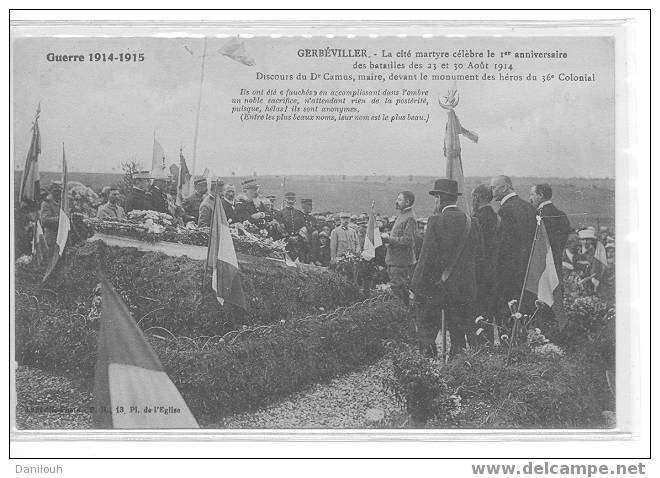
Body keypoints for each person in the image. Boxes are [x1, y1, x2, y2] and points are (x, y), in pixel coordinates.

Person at [410, 179, 483, 358]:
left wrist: (415, 287)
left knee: (427, 327)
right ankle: (456, 366)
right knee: (458, 333)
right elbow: (480, 256)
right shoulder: (472, 222)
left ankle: (426, 365)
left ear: (440, 198)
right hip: (464, 287)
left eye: (436, 197)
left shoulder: (436, 221)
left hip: (438, 287)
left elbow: (426, 258)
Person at [489, 175, 538, 314]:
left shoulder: (506, 210)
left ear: (504, 187)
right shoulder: (530, 207)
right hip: (528, 273)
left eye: (493, 188)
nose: (491, 191)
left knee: (509, 316)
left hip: (510, 276)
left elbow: (504, 247)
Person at [381, 191, 417, 305]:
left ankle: (402, 315)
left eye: (400, 199)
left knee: (398, 291)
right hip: (395, 260)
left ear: (407, 202)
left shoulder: (410, 217)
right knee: (398, 290)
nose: (396, 202)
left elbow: (408, 241)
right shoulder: (403, 214)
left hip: (400, 261)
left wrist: (388, 239)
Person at [471, 184, 500, 325]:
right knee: (489, 311)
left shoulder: (477, 218)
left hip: (479, 272)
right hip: (493, 270)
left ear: (476, 197)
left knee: (479, 313)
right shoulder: (496, 216)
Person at [529, 183, 571, 279]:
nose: (530, 198)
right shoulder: (561, 215)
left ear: (540, 196)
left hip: (540, 266)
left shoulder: (537, 216)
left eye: (532, 194)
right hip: (556, 262)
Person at [275, 192, 307, 260]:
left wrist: (298, 236)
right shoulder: (280, 213)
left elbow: (303, 226)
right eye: (288, 199)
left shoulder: (299, 213)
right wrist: (287, 236)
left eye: (292, 199)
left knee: (301, 256)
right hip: (285, 240)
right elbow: (280, 227)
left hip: (298, 239)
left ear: (295, 200)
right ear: (285, 200)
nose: (290, 201)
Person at [39, 183, 62, 251]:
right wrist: (60, 219)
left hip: (62, 237)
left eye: (59, 191)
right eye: (55, 190)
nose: (57, 193)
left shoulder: (62, 202)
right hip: (51, 238)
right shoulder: (46, 203)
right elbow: (44, 220)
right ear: (51, 191)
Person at [300, 198, 318, 263]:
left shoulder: (313, 219)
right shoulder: (298, 217)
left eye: (311, 205)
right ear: (303, 206)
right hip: (301, 244)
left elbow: (315, 229)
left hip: (311, 244)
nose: (311, 207)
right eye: (309, 205)